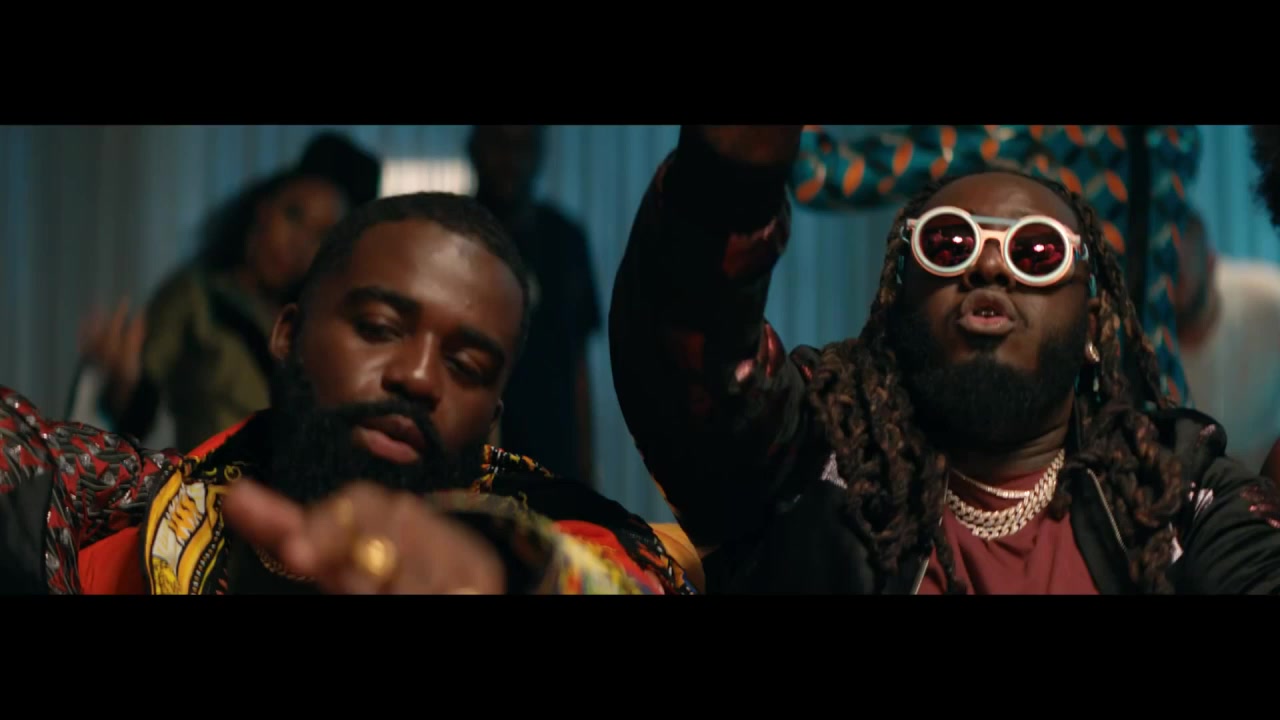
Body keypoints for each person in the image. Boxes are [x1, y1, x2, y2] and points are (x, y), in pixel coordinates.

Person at [609, 125, 1280, 594]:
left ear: (1091, 325)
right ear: (898, 301)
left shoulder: (1176, 494)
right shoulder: (810, 458)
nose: (989, 265)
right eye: (949, 243)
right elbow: (693, 358)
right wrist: (727, 179)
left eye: (1036, 253)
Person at [1, 192, 694, 595]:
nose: (418, 377)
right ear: (288, 334)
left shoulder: (549, 536)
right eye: (380, 328)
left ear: (494, 413)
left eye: (467, 366)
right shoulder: (153, 514)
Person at [791, 124, 1200, 406]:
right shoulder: (1175, 137)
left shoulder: (1016, 133)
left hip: (1064, 414)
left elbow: (819, 174)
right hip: (1159, 407)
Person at [76, 132, 381, 451]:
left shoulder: (315, 325)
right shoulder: (195, 296)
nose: (298, 244)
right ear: (264, 209)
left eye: (320, 235)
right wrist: (122, 383)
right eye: (293, 215)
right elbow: (138, 410)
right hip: (207, 478)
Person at [468, 125, 601, 485]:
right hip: (473, 458)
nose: (510, 160)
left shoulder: (565, 240)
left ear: (540, 154)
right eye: (499, 143)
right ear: (475, 147)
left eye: (523, 147)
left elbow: (578, 363)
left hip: (553, 459)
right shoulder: (456, 235)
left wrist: (587, 469)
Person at [1173, 211, 1280, 472]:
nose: (1170, 290)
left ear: (1210, 264)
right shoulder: (1146, 339)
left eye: (1179, 277)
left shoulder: (1267, 299)